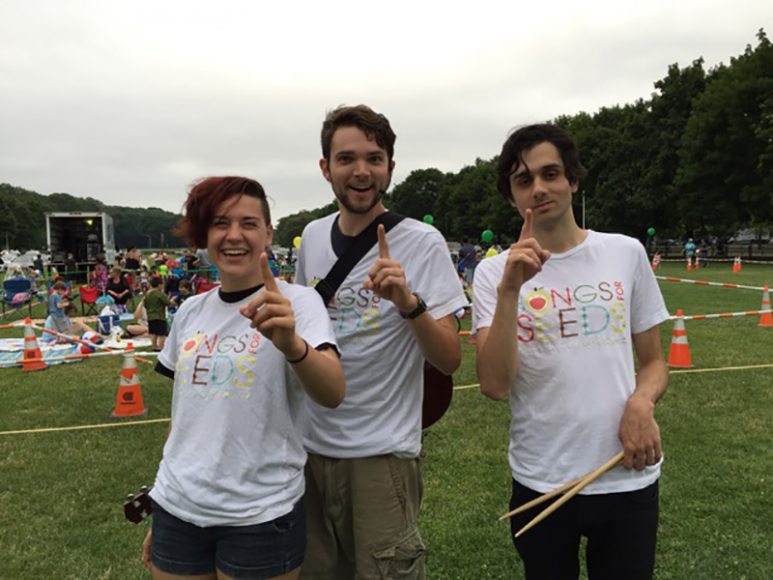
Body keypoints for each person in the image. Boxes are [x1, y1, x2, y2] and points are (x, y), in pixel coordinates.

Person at [473, 124, 669, 580]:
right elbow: (494, 385)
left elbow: (655, 363)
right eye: (524, 181)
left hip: (625, 470)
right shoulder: (493, 273)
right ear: (511, 196)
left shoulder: (624, 253)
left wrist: (642, 401)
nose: (539, 188)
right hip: (541, 478)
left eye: (550, 173)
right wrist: (509, 292)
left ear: (573, 180)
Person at [293, 104, 467, 579]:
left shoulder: (423, 241)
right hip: (307, 452)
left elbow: (450, 359)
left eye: (374, 157)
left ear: (391, 165)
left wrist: (407, 302)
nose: (361, 171)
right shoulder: (310, 237)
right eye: (346, 158)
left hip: (380, 457)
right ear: (326, 167)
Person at [142, 176, 345, 579]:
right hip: (177, 508)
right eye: (220, 223)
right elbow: (185, 417)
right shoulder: (190, 312)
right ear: (206, 234)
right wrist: (159, 505)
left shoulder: (298, 303)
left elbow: (333, 392)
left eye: (248, 223)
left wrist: (293, 345)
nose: (234, 235)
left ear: (268, 233)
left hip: (260, 514)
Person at [144, 276, 172, 351]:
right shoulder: (159, 294)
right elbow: (167, 302)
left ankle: (154, 346)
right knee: (162, 333)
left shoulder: (148, 294)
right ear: (159, 285)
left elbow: (145, 304)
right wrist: (172, 300)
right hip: (160, 316)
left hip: (150, 317)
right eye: (162, 284)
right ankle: (161, 346)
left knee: (153, 332)